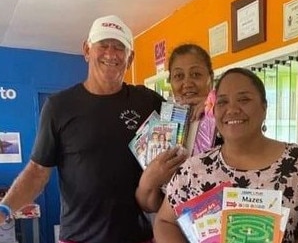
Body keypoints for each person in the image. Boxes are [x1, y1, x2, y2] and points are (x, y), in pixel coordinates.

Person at [0, 15, 187, 243]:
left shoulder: (147, 101)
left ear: (130, 58)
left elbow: (187, 122)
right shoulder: (59, 106)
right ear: (87, 50)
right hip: (78, 238)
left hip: (139, 237)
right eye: (103, 45)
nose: (111, 53)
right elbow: (38, 171)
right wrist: (5, 210)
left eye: (119, 47)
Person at [153, 67, 298, 243]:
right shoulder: (193, 171)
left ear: (264, 107)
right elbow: (164, 222)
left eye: (244, 99)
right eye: (223, 102)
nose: (232, 109)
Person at [136, 43, 219, 212]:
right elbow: (149, 205)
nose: (187, 83)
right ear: (171, 82)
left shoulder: (226, 116)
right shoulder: (161, 127)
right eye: (179, 76)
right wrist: (149, 180)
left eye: (196, 74)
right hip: (173, 227)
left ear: (210, 77)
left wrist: (216, 104)